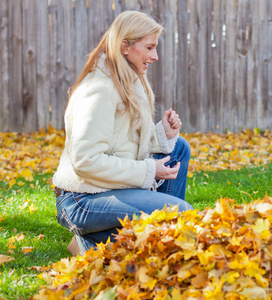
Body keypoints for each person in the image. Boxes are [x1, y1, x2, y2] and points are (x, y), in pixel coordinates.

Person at [53, 11, 193, 255]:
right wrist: (149, 171)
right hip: (81, 200)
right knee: (179, 211)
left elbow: (122, 141)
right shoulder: (100, 88)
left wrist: (163, 135)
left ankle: (151, 237)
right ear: (125, 46)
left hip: (108, 189)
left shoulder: (129, 79)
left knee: (179, 147)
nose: (155, 56)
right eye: (149, 47)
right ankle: (99, 240)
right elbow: (86, 161)